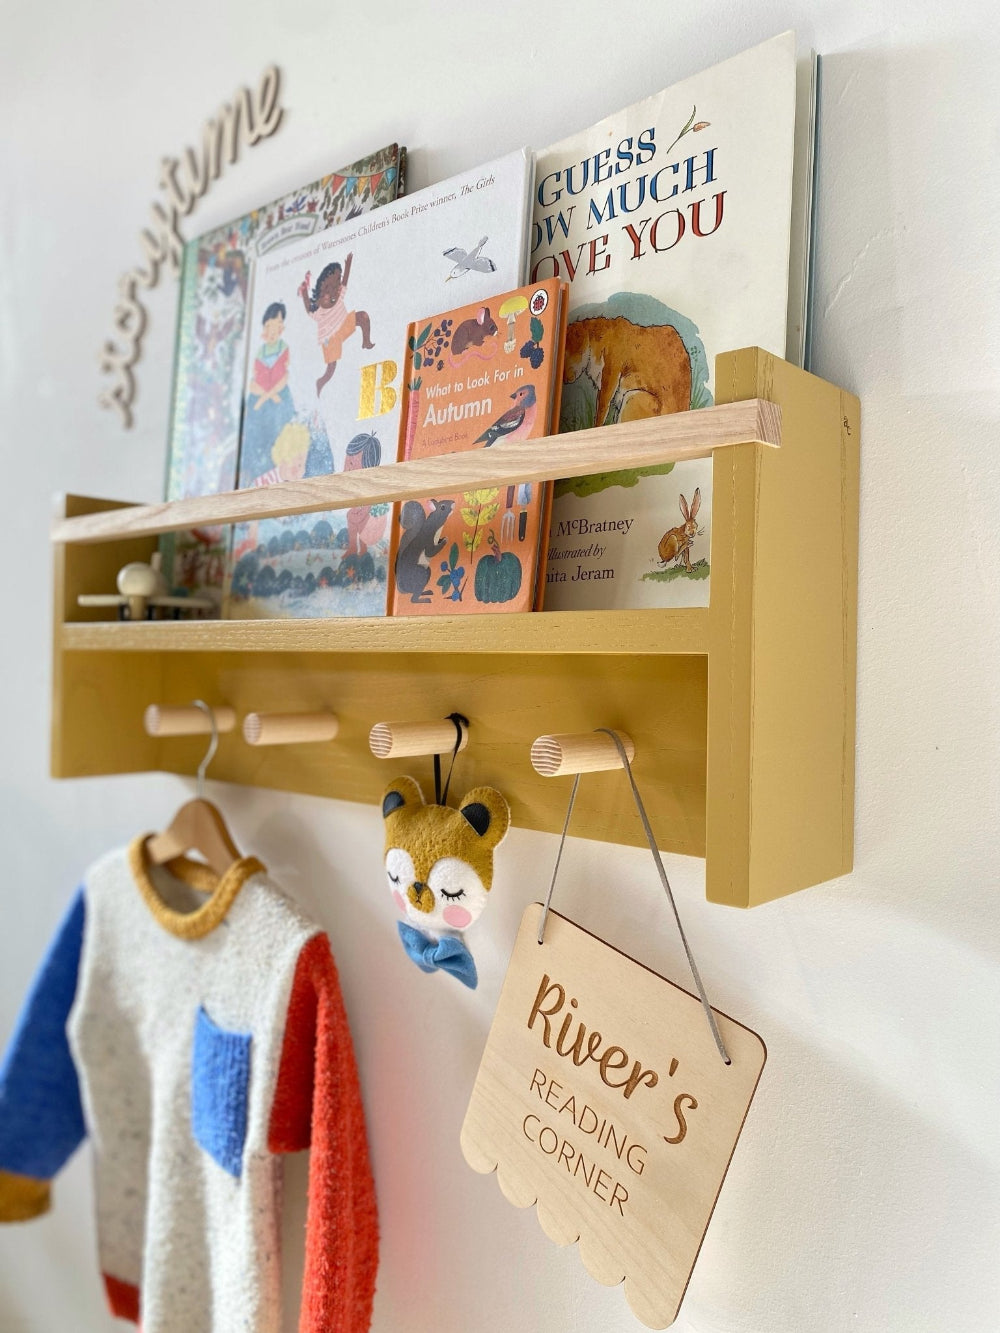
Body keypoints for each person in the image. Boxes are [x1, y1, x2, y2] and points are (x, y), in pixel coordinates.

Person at [299, 255, 374, 396]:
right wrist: (304, 294)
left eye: (335, 287)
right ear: (320, 293)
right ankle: (321, 381)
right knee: (331, 368)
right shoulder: (319, 312)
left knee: (363, 317)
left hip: (343, 326)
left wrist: (348, 266)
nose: (332, 293)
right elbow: (309, 309)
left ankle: (366, 342)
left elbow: (344, 283)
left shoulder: (338, 296)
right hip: (330, 339)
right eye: (327, 290)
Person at [240, 302, 295, 484]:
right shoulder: (260, 351)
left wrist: (270, 395)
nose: (273, 329)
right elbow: (253, 381)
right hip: (260, 400)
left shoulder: (283, 349)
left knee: (280, 432)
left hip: (279, 398)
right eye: (269, 325)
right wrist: (264, 395)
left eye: (277, 324)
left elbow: (284, 376)